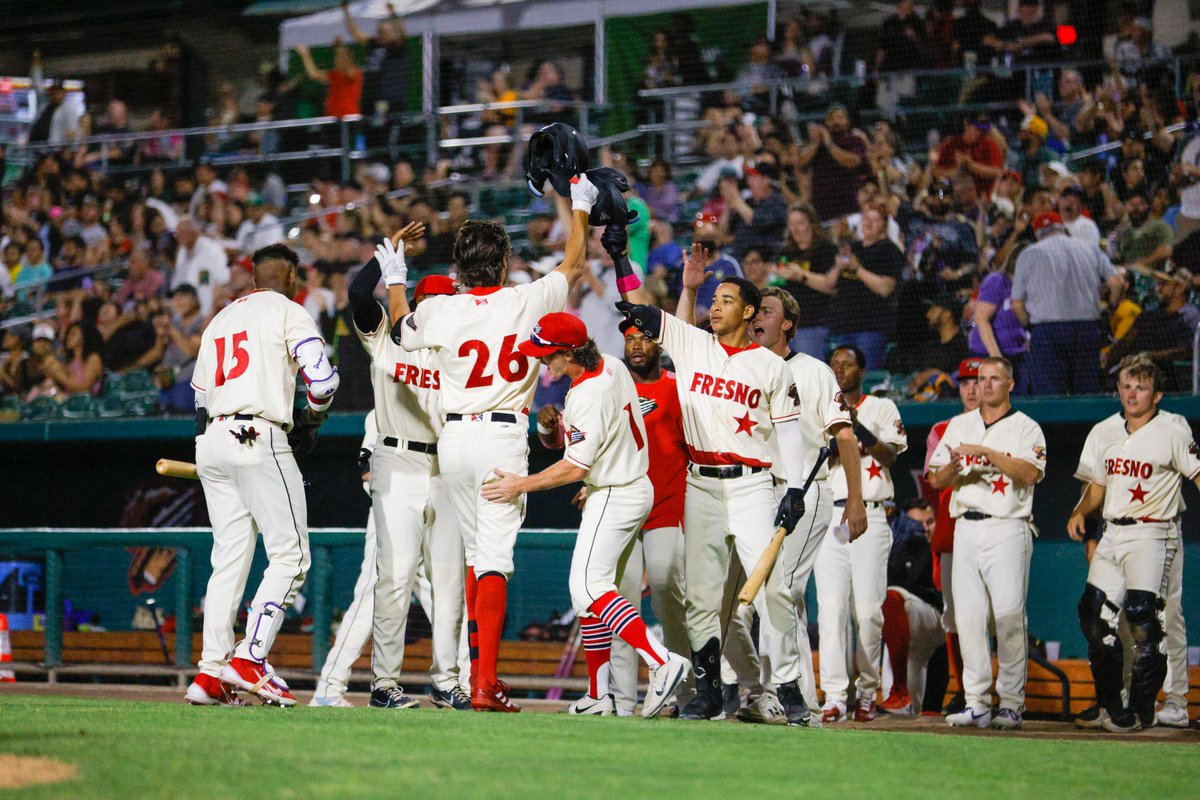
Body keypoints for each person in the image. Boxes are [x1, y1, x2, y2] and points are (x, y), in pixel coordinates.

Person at [390, 172, 595, 712]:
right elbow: (573, 263)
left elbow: (396, 331)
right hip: (502, 436)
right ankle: (483, 684)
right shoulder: (526, 298)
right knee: (494, 562)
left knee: (479, 558)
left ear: (458, 267)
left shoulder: (440, 307)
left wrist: (395, 275)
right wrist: (581, 205)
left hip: (453, 439)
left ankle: (479, 678)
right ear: (503, 263)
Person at [617, 263, 813, 724]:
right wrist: (621, 255)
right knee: (701, 597)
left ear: (749, 311)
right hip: (700, 483)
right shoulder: (692, 343)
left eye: (726, 300)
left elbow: (788, 435)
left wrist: (796, 487)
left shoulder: (770, 365)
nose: (716, 307)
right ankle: (706, 692)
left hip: (752, 485)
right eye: (714, 299)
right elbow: (639, 310)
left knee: (776, 590)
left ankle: (788, 687)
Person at [482, 313, 690, 718]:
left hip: (617, 492)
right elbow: (603, 439)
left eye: (547, 355)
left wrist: (518, 485)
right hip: (623, 483)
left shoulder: (586, 394)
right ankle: (598, 693)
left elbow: (574, 467)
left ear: (568, 352)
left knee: (591, 586)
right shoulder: (611, 365)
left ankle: (662, 661)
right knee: (584, 594)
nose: (542, 362)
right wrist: (565, 439)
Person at [185, 243, 340, 707]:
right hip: (258, 434)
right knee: (291, 555)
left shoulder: (219, 320)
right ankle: (249, 658)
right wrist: (311, 418)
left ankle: (210, 675)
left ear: (253, 278)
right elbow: (324, 381)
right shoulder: (288, 311)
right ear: (291, 277)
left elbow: (199, 401)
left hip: (210, 441)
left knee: (229, 559)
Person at [353, 227, 470, 710]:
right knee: (395, 575)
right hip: (397, 457)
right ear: (418, 302)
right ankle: (384, 684)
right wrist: (385, 262)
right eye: (432, 300)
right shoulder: (388, 338)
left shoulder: (459, 353)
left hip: (445, 467)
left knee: (448, 581)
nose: (439, 308)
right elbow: (359, 294)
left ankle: (446, 681)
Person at [751, 286, 866, 714]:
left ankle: (794, 699)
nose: (756, 316)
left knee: (780, 590)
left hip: (805, 491)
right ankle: (776, 694)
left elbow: (845, 437)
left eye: (766, 310)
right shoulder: (744, 367)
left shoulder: (814, 371)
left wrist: (855, 501)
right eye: (754, 310)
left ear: (787, 324)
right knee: (770, 594)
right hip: (759, 492)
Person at [1068, 355, 1197, 733]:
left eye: (1140, 386)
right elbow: (1096, 487)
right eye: (1126, 385)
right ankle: (1116, 703)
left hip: (1155, 531)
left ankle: (1156, 706)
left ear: (1156, 394)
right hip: (1113, 530)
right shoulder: (1104, 430)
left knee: (1151, 620)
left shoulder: (1173, 428)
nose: (1131, 393)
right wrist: (1081, 514)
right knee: (1094, 614)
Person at [928, 357, 1046, 730]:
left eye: (995, 379)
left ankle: (1011, 702)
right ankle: (977, 702)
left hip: (1008, 525)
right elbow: (936, 479)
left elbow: (1030, 473)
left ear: (1010, 384)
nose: (986, 385)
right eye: (982, 380)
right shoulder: (959, 425)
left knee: (1010, 614)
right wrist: (956, 466)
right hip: (966, 525)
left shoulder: (1026, 428)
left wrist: (989, 454)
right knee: (968, 616)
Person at [604, 320, 692, 716]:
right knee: (623, 606)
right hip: (624, 506)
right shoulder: (613, 387)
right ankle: (624, 702)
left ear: (658, 344)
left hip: (667, 504)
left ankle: (687, 693)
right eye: (629, 339)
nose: (636, 345)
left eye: (643, 338)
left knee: (665, 589)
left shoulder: (678, 387)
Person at [817, 345, 906, 723]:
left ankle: (868, 692)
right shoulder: (821, 408)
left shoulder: (882, 407)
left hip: (870, 514)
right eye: (835, 364)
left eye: (848, 364)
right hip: (830, 516)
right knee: (832, 610)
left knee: (868, 612)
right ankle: (835, 694)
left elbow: (889, 456)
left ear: (862, 370)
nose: (840, 369)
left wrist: (855, 424)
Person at [921, 357, 982, 716]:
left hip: (996, 529)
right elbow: (935, 480)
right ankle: (965, 691)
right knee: (956, 616)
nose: (972, 389)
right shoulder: (943, 429)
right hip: (952, 527)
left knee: (1000, 615)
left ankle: (1003, 695)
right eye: (966, 383)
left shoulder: (1007, 427)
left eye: (978, 381)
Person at [1011, 211, 1122, 395]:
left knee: (1052, 398)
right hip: (1087, 329)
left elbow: (1016, 304)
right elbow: (1116, 283)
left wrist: (1029, 326)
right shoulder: (1089, 248)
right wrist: (1110, 308)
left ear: (1037, 233)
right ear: (1063, 228)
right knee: (1087, 395)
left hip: (1047, 331)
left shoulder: (1030, 253)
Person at [310, 412, 379, 707]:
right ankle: (329, 687)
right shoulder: (382, 412)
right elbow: (367, 470)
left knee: (446, 601)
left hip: (433, 519)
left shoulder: (445, 400)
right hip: (393, 515)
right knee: (368, 599)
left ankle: (463, 683)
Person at [801, 204, 903, 370]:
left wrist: (857, 269)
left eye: (875, 220)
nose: (869, 223)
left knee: (866, 378)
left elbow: (885, 288)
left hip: (870, 328)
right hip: (843, 326)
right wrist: (838, 267)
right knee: (842, 380)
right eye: (866, 219)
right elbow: (829, 284)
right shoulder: (853, 249)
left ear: (884, 225)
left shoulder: (887, 249)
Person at [880, 498, 945, 715]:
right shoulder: (907, 545)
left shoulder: (946, 551)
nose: (924, 529)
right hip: (910, 625)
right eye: (917, 524)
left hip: (937, 624)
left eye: (929, 522)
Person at [795, 105, 867, 222]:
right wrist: (816, 143)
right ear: (826, 123)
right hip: (821, 207)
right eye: (832, 119)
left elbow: (853, 162)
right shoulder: (818, 145)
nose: (836, 121)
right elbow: (801, 163)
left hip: (847, 206)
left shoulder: (855, 141)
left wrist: (829, 143)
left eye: (840, 117)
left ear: (848, 122)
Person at [725, 161, 787, 261]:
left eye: (753, 177)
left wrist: (737, 200)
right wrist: (728, 204)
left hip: (763, 261)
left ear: (766, 180)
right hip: (740, 257)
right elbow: (723, 233)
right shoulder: (748, 202)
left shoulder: (778, 202)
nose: (749, 181)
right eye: (749, 177)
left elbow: (757, 221)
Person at [173, 217, 231, 318]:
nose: (180, 237)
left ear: (195, 232)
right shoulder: (182, 252)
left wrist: (211, 312)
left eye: (184, 232)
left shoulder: (212, 249)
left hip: (207, 310)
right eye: (178, 234)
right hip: (185, 310)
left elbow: (223, 280)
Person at [933, 118, 1004, 200]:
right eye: (977, 129)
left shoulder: (987, 143)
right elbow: (937, 171)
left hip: (982, 196)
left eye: (982, 131)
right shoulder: (951, 143)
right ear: (966, 126)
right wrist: (957, 170)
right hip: (955, 193)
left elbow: (997, 171)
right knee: (940, 186)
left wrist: (971, 165)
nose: (979, 133)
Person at [296, 42, 363, 119]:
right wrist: (305, 55)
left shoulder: (355, 73)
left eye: (340, 57)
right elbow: (313, 74)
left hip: (349, 118)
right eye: (336, 57)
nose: (336, 60)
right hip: (332, 117)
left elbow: (348, 69)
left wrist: (339, 48)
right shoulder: (333, 74)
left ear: (348, 59)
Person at [1059, 184, 1101, 250]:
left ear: (1082, 207)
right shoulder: (1054, 224)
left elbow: (1089, 251)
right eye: (1065, 198)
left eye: (1074, 201)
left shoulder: (1087, 225)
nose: (1068, 204)